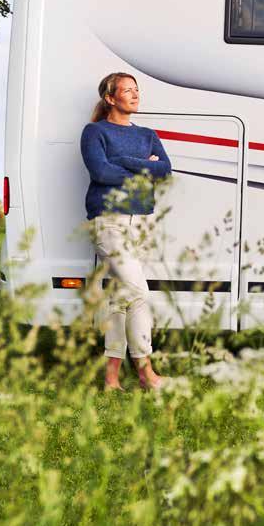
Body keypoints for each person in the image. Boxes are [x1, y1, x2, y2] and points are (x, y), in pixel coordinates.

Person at [80, 72, 172, 393]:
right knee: (138, 293)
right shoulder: (95, 132)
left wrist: (124, 160)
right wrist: (141, 167)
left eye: (137, 90)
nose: (135, 95)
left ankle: (111, 379)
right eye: (127, 91)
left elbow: (164, 169)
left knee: (121, 300)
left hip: (141, 221)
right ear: (110, 98)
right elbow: (100, 171)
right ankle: (146, 372)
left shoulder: (148, 134)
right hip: (109, 222)